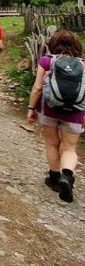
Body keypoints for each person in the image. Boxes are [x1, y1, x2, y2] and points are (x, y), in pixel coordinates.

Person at [27, 30, 85, 203]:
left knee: (52, 143)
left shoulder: (47, 61)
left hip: (49, 109)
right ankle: (67, 176)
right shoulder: (83, 65)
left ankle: (54, 179)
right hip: (75, 112)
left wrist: (31, 108)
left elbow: (37, 88)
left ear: (53, 43)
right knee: (69, 148)